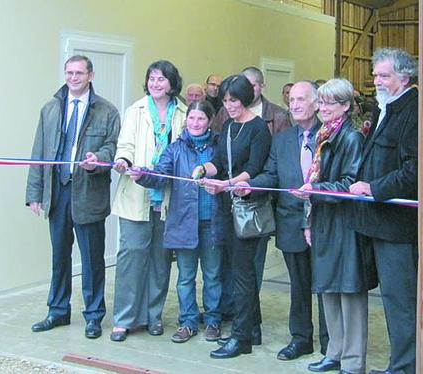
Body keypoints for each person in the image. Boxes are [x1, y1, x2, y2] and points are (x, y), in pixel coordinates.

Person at [26, 55, 120, 339]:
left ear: (91, 75)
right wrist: (34, 193)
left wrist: (99, 159)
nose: (73, 78)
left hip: (89, 193)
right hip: (58, 192)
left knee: (92, 259)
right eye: (69, 72)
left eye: (79, 73)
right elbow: (39, 153)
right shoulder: (51, 109)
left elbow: (114, 147)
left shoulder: (107, 111)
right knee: (60, 256)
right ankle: (57, 311)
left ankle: (93, 316)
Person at [234, 81, 329, 361]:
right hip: (290, 221)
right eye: (292, 100)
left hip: (325, 222)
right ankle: (301, 339)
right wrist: (251, 185)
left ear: (316, 104)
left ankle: (330, 345)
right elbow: (271, 174)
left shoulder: (330, 136)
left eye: (302, 99)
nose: (295, 104)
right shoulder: (283, 140)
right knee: (299, 287)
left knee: (325, 286)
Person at [294, 79, 376, 374]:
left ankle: (353, 363)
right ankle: (334, 352)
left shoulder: (351, 137)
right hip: (324, 220)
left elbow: (348, 183)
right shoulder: (322, 134)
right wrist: (309, 218)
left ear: (345, 106)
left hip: (346, 223)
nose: (323, 108)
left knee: (350, 292)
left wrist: (313, 190)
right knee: (328, 288)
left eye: (330, 103)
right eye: (322, 102)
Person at [129, 100, 224, 344]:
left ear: (209, 121)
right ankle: (188, 322)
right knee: (185, 277)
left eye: (201, 119)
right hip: (183, 222)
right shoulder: (175, 148)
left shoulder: (219, 146)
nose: (196, 123)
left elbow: (227, 173)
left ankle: (213, 320)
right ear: (186, 120)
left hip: (213, 222)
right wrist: (143, 175)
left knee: (213, 275)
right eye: (192, 118)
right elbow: (160, 175)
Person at [349, 48, 418, 374]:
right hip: (375, 222)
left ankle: (404, 368)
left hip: (397, 226)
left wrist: (374, 188)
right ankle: (398, 365)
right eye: (375, 75)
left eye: (384, 76)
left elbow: (414, 171)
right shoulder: (383, 108)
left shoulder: (412, 110)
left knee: (400, 301)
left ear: (404, 78)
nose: (376, 81)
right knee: (390, 300)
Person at [109, 59, 187, 342]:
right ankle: (124, 318)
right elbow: (125, 144)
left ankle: (153, 315)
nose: (156, 83)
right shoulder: (136, 110)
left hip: (167, 198)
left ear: (172, 83)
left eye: (161, 79)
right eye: (152, 78)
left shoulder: (183, 113)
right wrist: (122, 160)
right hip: (136, 195)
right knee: (131, 255)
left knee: (160, 259)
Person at [196, 74, 272, 359]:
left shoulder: (258, 129)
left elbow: (253, 167)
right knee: (238, 270)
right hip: (228, 207)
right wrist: (204, 170)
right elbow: (219, 162)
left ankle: (241, 337)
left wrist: (226, 184)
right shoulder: (228, 126)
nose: (229, 105)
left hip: (247, 206)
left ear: (246, 98)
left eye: (234, 100)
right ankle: (251, 328)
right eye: (225, 101)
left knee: (243, 272)